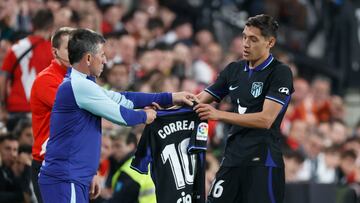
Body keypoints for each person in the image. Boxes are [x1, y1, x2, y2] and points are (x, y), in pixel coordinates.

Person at [38, 28, 197, 203]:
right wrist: (148, 115)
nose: (106, 60)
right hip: (66, 178)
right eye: (102, 55)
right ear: (89, 58)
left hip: (74, 177)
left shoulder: (82, 84)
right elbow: (122, 116)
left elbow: (125, 98)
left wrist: (170, 97)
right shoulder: (78, 86)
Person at [194, 14, 294, 203]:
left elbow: (266, 120)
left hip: (263, 160)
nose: (246, 44)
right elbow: (200, 100)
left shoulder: (280, 72)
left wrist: (219, 115)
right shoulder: (234, 69)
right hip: (233, 157)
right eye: (244, 37)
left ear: (270, 42)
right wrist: (167, 105)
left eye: (253, 39)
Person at [30, 27, 75, 203]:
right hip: (47, 164)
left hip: (71, 164)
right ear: (55, 51)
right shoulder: (46, 80)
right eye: (68, 48)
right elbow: (77, 110)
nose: (74, 53)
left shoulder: (78, 79)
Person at [0, 9, 54, 131]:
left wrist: (3, 104)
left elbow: (2, 79)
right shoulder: (54, 52)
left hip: (16, 108)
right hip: (42, 110)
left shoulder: (16, 47)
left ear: (32, 25)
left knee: (14, 148)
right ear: (51, 27)